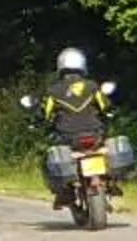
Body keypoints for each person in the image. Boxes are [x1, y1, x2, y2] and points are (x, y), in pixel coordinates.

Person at [32, 46, 118, 194]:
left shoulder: (54, 91)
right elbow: (105, 106)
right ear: (82, 65)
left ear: (61, 66)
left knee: (50, 158)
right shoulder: (92, 86)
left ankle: (63, 193)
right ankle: (111, 182)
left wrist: (36, 122)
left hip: (68, 137)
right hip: (95, 134)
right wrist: (111, 112)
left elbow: (44, 113)